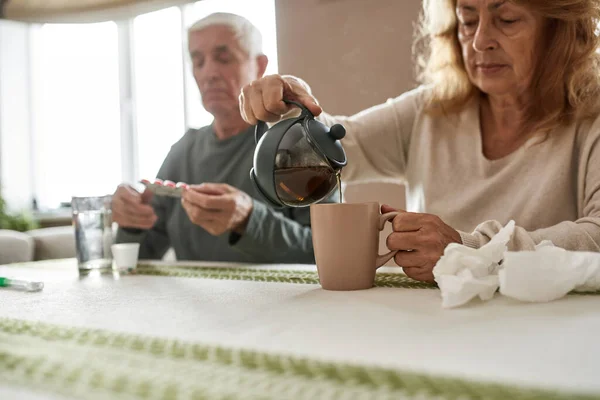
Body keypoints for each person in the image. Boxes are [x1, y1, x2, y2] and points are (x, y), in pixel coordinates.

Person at [239, 0, 600, 282]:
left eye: (507, 20)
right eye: (467, 19)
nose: (479, 41)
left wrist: (469, 250)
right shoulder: (431, 110)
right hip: (430, 326)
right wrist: (291, 106)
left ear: (560, 29)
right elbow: (344, 148)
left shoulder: (591, 117)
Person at [113, 12, 335, 263]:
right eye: (198, 62)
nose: (209, 74)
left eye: (223, 58)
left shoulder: (298, 146)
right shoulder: (182, 151)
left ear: (260, 66)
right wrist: (131, 221)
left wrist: (250, 221)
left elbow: (331, 251)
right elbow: (138, 257)